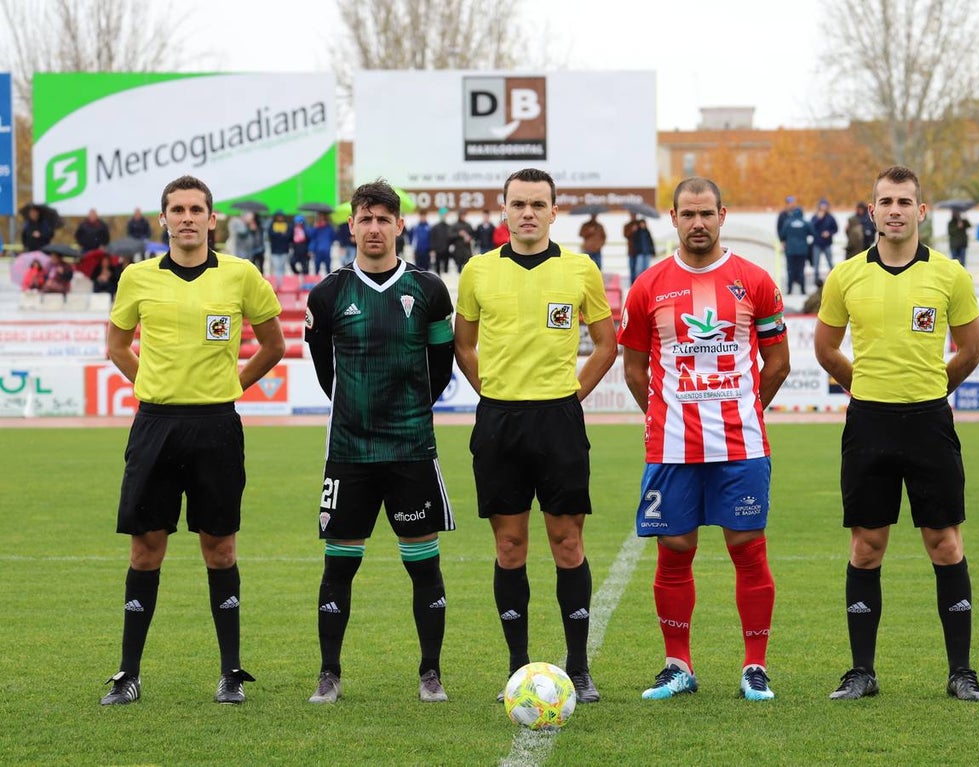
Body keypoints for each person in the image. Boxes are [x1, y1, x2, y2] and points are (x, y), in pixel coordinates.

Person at [99, 174, 286, 706]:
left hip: (216, 427)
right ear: (163, 219)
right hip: (155, 425)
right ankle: (128, 673)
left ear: (211, 219)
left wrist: (233, 386)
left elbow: (273, 344)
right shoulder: (137, 277)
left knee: (220, 548)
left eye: (195, 209)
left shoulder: (241, 274)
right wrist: (152, 388)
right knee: (145, 549)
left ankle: (230, 673)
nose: (186, 218)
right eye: (176, 209)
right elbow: (117, 346)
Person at [813, 165, 979, 703]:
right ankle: (861, 672)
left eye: (903, 201)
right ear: (871, 211)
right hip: (868, 423)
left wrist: (933, 387)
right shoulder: (845, 276)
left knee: (944, 542)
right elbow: (825, 349)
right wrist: (863, 387)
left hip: (930, 423)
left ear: (921, 210)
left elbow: (970, 350)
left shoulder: (950, 275)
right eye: (884, 201)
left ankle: (961, 672)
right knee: (867, 547)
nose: (894, 210)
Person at [617, 177, 790, 702]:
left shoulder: (755, 280)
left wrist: (745, 408)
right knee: (674, 550)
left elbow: (777, 363)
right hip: (672, 448)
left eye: (706, 213)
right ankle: (677, 665)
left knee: (748, 550)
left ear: (723, 216)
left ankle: (754, 667)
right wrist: (663, 417)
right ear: (672, 218)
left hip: (741, 445)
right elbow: (634, 368)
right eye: (687, 214)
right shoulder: (648, 285)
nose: (698, 223)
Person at [453, 168, 618, 705]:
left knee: (567, 543)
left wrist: (571, 398)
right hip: (500, 421)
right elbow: (464, 345)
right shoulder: (477, 271)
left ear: (554, 211)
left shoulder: (580, 269)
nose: (527, 212)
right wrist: (491, 392)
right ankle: (517, 667)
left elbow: (605, 345)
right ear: (503, 210)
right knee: (509, 546)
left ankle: (579, 666)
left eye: (537, 204)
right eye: (517, 203)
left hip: (558, 422)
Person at [302, 181, 456, 705]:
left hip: (412, 449)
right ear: (351, 226)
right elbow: (326, 370)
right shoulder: (327, 294)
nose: (374, 228)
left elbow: (441, 369)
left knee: (423, 564)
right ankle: (329, 674)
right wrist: (357, 408)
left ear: (398, 226)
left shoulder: (430, 290)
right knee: (339, 564)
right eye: (365, 219)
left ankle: (430, 674)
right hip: (348, 452)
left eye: (383, 219)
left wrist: (407, 409)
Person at [781, 205, 815, 294]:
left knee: (790, 270)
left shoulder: (787, 222)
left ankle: (789, 290)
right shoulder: (805, 223)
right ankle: (802, 290)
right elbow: (813, 233)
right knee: (801, 270)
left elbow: (782, 235)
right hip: (802, 250)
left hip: (790, 250)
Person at [810, 199, 839, 281]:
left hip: (827, 243)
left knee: (830, 262)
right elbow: (811, 228)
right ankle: (816, 280)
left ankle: (834, 279)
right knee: (816, 263)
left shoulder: (830, 217)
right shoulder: (815, 217)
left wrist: (829, 233)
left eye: (825, 206)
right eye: (822, 205)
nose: (823, 207)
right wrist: (819, 219)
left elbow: (836, 229)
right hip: (817, 243)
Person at [266, 210, 292, 287]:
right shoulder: (272, 225)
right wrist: (280, 234)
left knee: (282, 267)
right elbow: (271, 235)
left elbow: (288, 236)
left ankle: (281, 284)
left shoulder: (287, 225)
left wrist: (278, 234)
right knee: (277, 267)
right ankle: (278, 283)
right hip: (275, 250)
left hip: (284, 250)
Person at [627, 217, 656, 285]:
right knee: (639, 269)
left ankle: (646, 282)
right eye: (641, 223)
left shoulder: (647, 232)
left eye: (644, 223)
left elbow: (651, 242)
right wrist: (633, 231)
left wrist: (653, 252)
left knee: (646, 269)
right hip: (639, 253)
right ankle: (638, 283)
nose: (643, 225)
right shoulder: (637, 232)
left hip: (647, 253)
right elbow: (634, 241)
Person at [429, 208, 452, 275]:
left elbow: (451, 239)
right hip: (438, 251)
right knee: (437, 269)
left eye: (446, 214)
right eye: (443, 214)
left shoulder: (449, 227)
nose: (444, 216)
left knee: (446, 269)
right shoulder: (435, 227)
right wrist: (432, 249)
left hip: (446, 251)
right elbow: (432, 239)